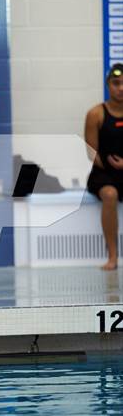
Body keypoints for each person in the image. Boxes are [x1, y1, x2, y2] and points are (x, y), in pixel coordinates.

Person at [86, 63, 123, 270]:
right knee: (110, 194)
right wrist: (112, 168)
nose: (121, 88)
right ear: (109, 85)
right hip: (104, 174)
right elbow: (91, 152)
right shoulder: (96, 114)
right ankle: (113, 256)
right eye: (116, 83)